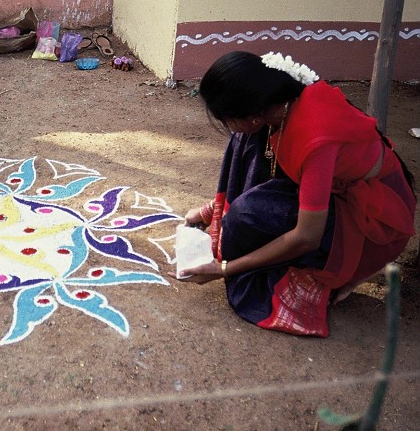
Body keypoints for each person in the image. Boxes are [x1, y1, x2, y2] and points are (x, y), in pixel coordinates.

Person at [175, 51, 416, 337]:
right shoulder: (281, 103)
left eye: (227, 119)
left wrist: (226, 268)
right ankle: (233, 221)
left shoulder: (315, 138)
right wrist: (210, 210)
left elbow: (306, 236)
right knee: (244, 143)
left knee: (244, 218)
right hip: (331, 189)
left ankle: (339, 275)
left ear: (253, 116)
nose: (228, 126)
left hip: (370, 222)